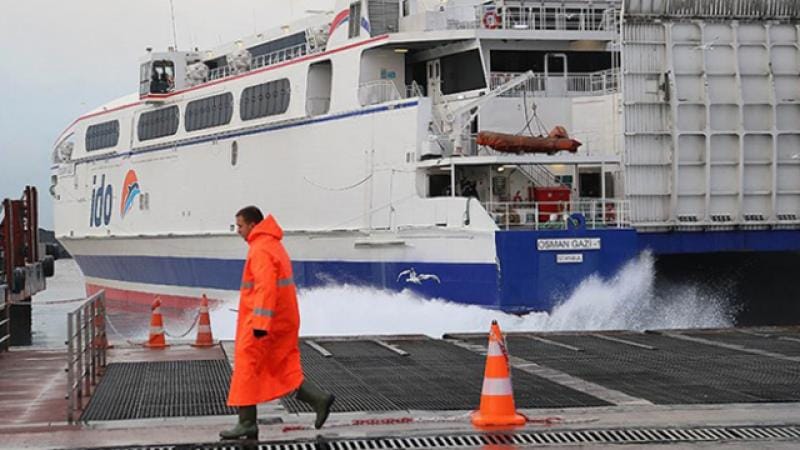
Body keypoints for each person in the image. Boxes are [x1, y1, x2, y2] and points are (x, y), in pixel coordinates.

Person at [221, 206, 335, 440]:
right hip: (281, 319)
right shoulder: (272, 244)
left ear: (252, 225)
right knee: (278, 366)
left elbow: (265, 287)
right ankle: (319, 399)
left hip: (264, 321)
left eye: (240, 226)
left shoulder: (260, 249)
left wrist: (260, 325)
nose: (238, 231)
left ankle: (247, 423)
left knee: (246, 365)